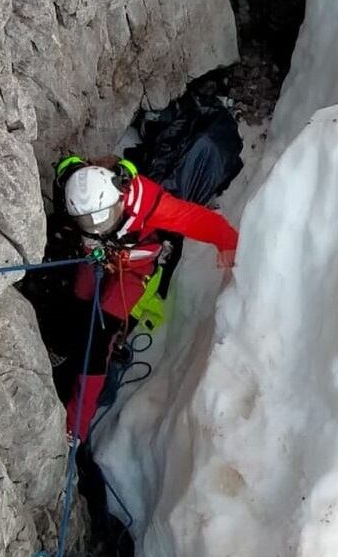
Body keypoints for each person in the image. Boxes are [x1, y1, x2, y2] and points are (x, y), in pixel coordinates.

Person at [54, 155, 238, 442]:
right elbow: (69, 166)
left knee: (100, 339)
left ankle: (76, 426)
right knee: (78, 312)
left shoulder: (146, 202)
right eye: (88, 222)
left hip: (132, 269)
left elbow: (191, 218)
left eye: (104, 219)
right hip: (96, 259)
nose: (98, 226)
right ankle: (65, 354)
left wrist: (228, 241)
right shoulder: (72, 189)